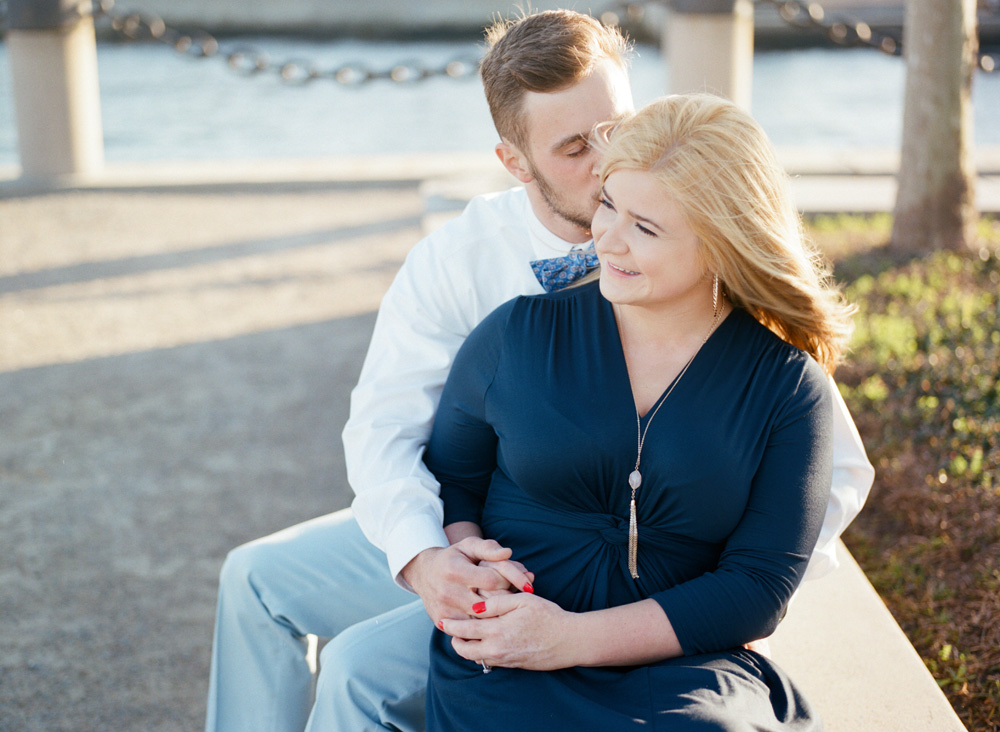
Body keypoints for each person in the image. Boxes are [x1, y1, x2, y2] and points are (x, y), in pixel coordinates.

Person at [205, 12, 873, 732]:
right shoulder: (457, 262)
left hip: (655, 576)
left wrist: (701, 596)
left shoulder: (695, 235)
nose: (607, 160)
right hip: (480, 540)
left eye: (617, 127)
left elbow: (833, 471)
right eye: (574, 147)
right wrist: (431, 558)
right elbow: (383, 433)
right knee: (256, 580)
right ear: (515, 161)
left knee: (361, 667)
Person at [423, 92, 854, 731]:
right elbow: (452, 480)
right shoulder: (515, 335)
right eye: (608, 204)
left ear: (723, 243)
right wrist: (469, 567)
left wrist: (571, 639)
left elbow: (758, 587)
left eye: (644, 228)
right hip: (506, 650)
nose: (607, 239)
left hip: (682, 666)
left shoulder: (790, 390)